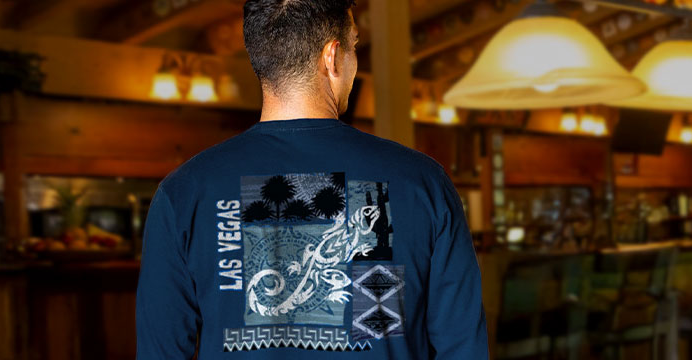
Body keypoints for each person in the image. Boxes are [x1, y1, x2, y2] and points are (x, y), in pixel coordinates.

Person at [136, 0, 487, 358]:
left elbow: (159, 352)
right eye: (355, 44)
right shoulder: (423, 182)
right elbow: (463, 348)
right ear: (332, 57)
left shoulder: (184, 192)